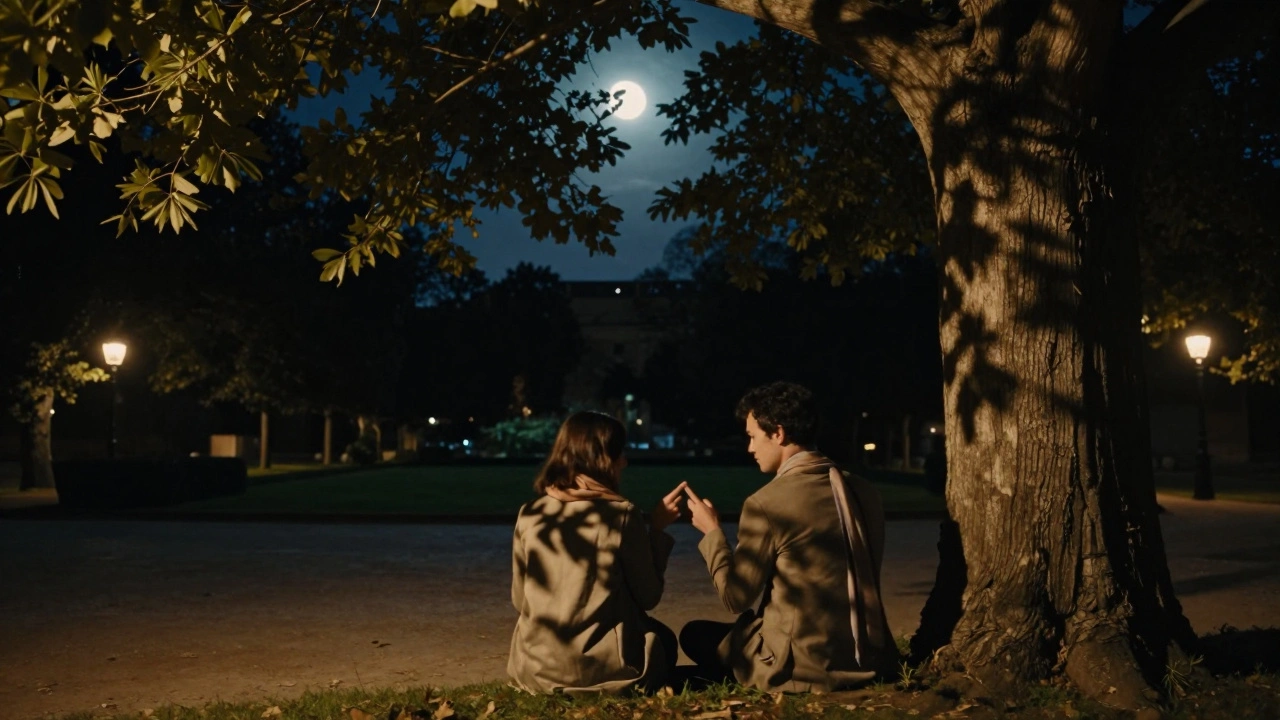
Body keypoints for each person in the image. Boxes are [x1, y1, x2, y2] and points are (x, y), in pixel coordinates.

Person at [680, 381, 897, 692]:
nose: (750, 448)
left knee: (694, 634)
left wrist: (712, 532)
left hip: (799, 668)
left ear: (778, 433)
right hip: (870, 656)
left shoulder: (767, 503)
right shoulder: (864, 491)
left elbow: (735, 597)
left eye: (753, 437)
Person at [508, 411, 686, 694]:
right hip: (600, 667)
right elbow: (648, 596)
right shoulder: (621, 515)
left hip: (535, 670)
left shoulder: (529, 513)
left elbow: (520, 599)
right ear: (602, 459)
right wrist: (656, 531)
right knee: (663, 640)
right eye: (619, 453)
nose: (624, 462)